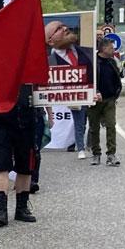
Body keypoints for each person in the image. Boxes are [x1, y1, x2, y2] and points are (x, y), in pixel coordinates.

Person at [0, 79, 38, 226]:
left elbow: (51, 92)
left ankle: (21, 208)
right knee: (1, 165)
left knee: (26, 166)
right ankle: (1, 209)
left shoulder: (33, 69)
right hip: (2, 123)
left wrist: (86, 96)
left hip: (27, 122)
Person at [45, 20, 93, 158]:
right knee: (78, 121)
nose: (65, 28)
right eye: (59, 29)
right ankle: (80, 148)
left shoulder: (87, 52)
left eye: (64, 25)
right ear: (50, 41)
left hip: (88, 93)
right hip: (71, 96)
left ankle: (84, 144)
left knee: (85, 122)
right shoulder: (48, 61)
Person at [88, 38, 122, 166]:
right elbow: (88, 79)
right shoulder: (93, 62)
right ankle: (96, 154)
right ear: (103, 48)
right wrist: (95, 91)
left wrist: (115, 94)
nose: (113, 50)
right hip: (94, 100)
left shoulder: (112, 62)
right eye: (111, 48)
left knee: (111, 125)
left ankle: (111, 154)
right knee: (94, 127)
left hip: (109, 100)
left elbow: (117, 78)